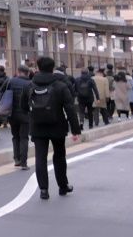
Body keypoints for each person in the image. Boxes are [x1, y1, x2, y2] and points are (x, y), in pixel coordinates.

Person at [26, 56, 83, 200]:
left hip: (38, 127)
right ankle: (63, 186)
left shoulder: (30, 85)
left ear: (38, 68)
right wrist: (75, 130)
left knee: (40, 157)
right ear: (53, 68)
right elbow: (70, 109)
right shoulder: (60, 85)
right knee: (59, 156)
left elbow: (23, 106)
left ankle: (43, 190)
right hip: (57, 126)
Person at [75, 66, 97, 130]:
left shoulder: (77, 79)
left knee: (81, 111)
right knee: (90, 112)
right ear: (87, 72)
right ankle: (90, 125)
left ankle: (81, 123)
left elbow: (74, 89)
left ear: (81, 73)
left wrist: (77, 94)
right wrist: (97, 97)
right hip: (90, 98)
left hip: (81, 98)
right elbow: (95, 89)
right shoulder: (91, 79)